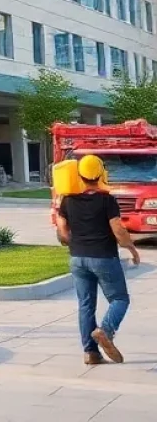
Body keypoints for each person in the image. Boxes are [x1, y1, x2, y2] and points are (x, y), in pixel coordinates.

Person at [56, 154, 140, 365]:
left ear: (80, 175)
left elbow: (63, 234)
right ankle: (106, 331)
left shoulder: (68, 200)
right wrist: (132, 248)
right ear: (102, 173)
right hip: (103, 257)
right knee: (120, 299)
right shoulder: (107, 200)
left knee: (85, 305)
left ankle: (90, 353)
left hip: (77, 259)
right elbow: (118, 230)